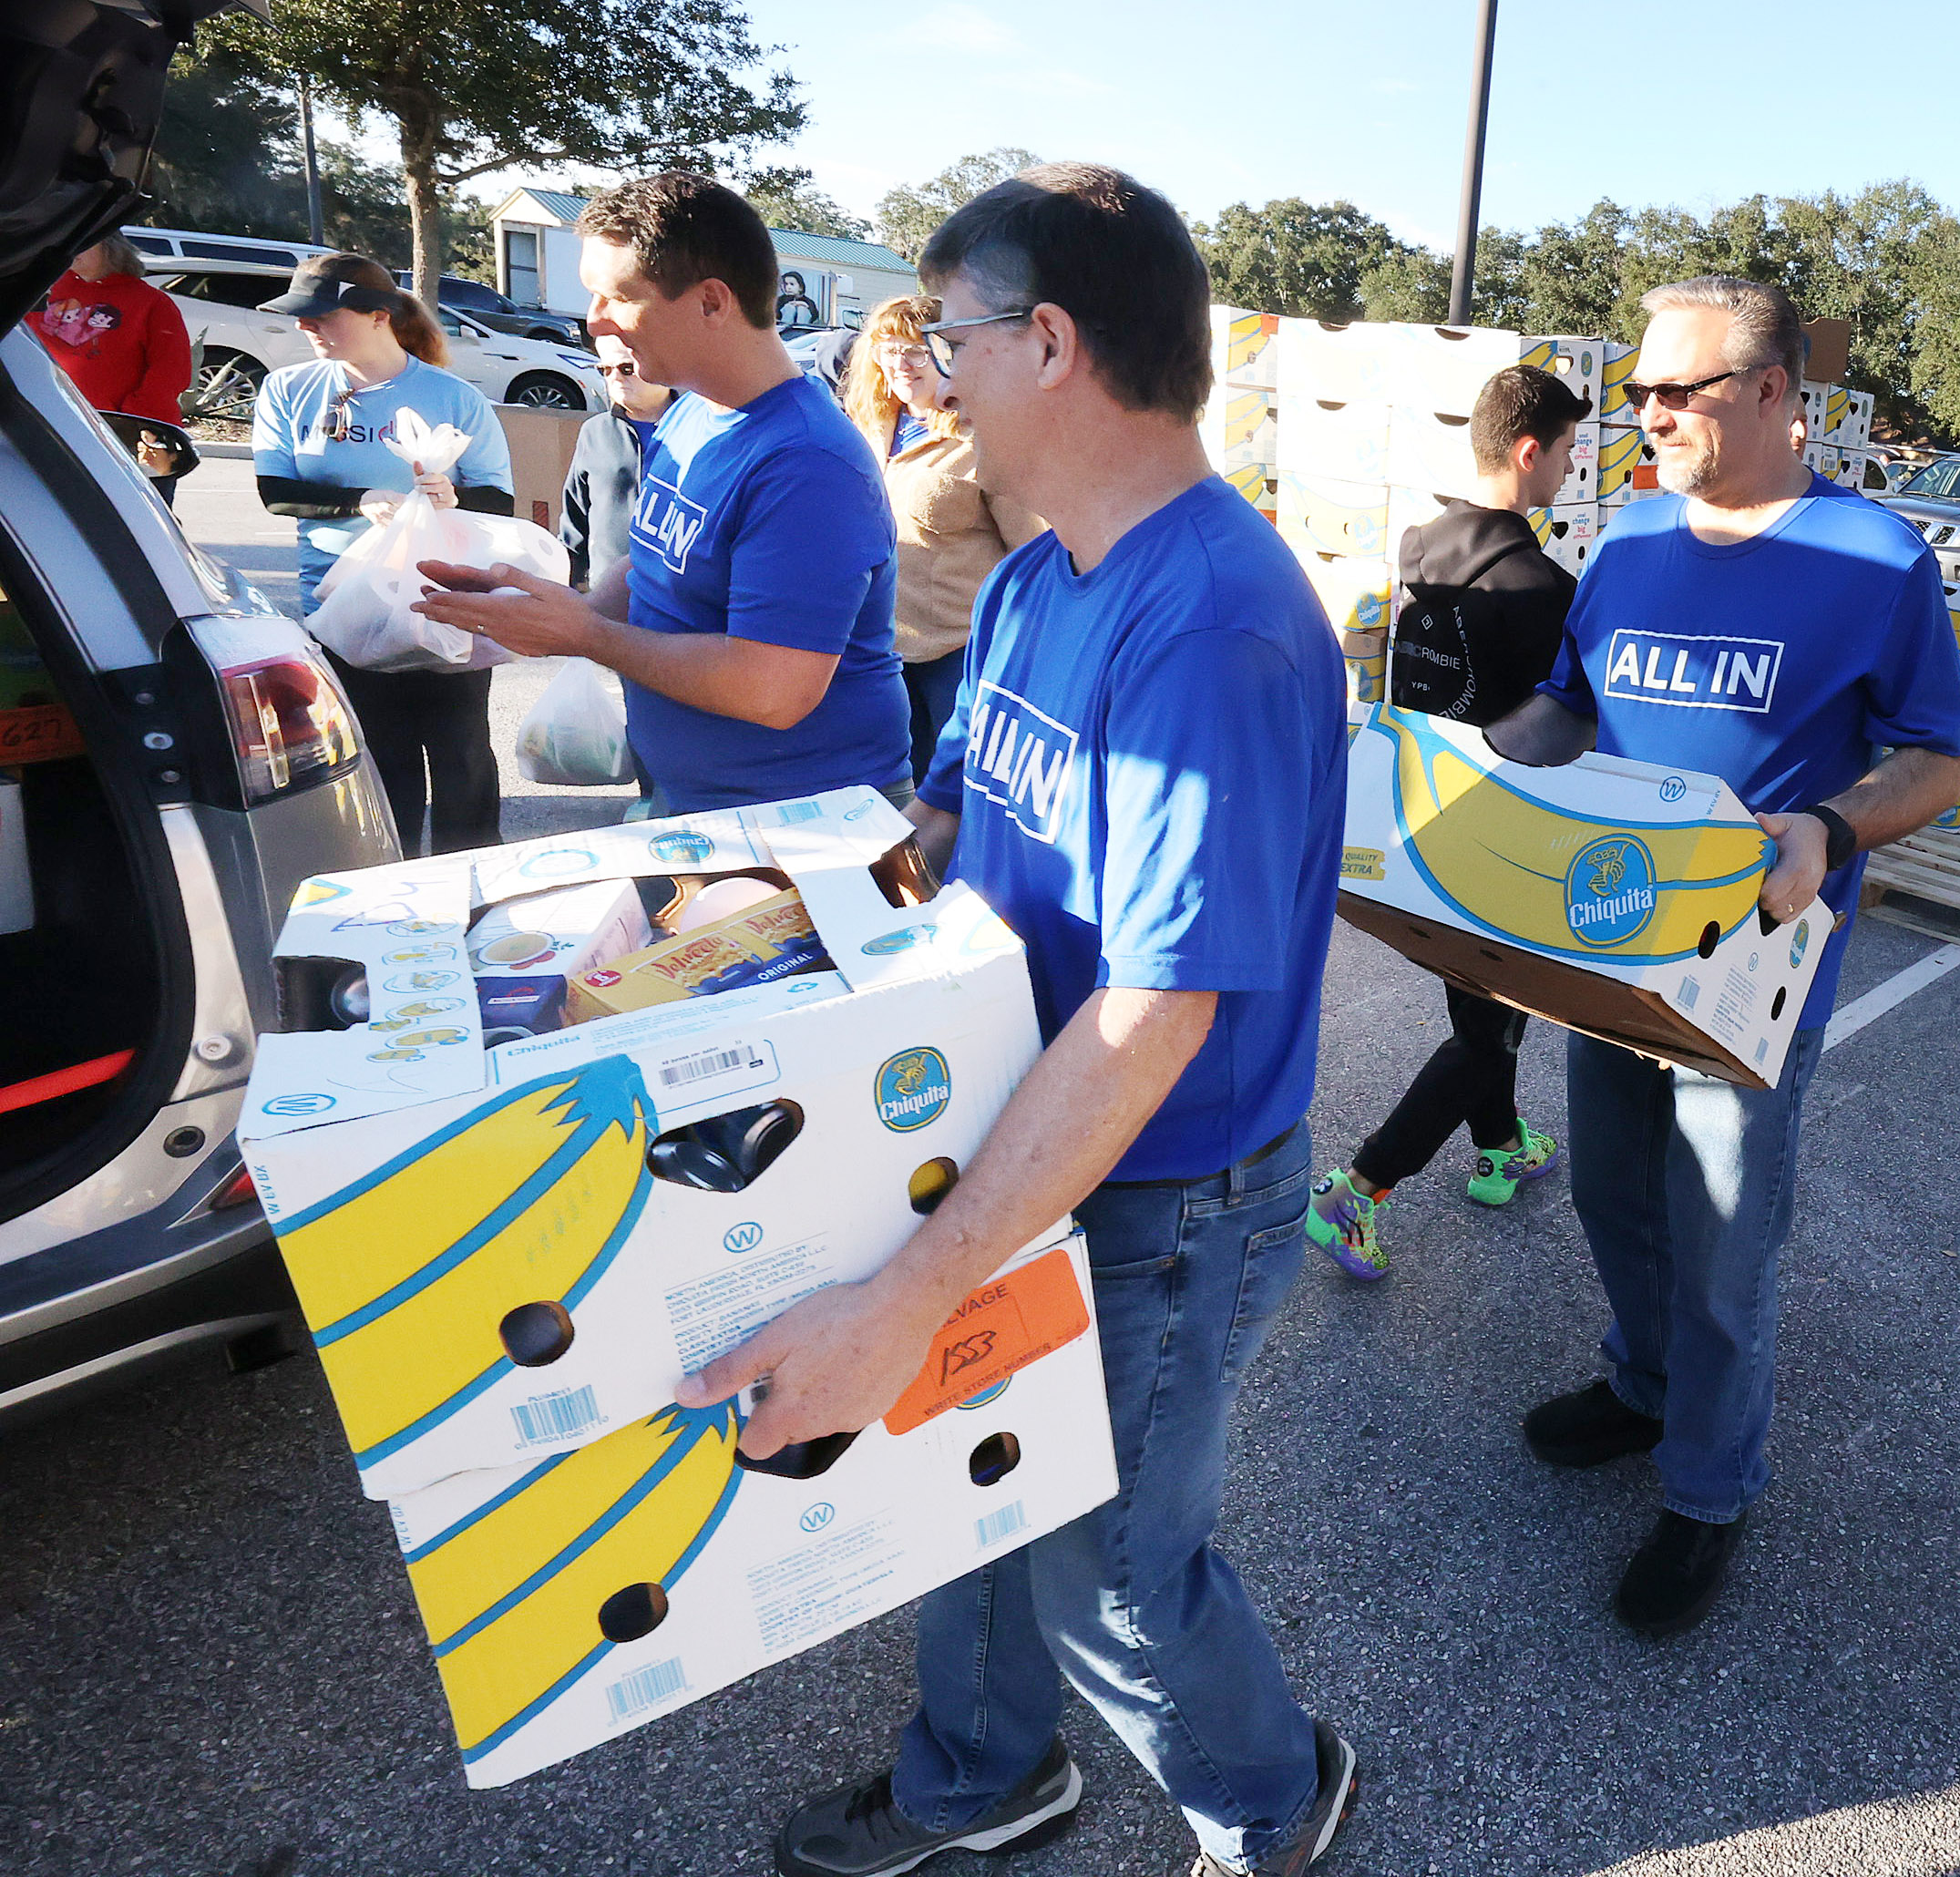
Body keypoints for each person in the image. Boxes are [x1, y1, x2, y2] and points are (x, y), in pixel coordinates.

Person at [668, 163, 1357, 1877]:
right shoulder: (1044, 575)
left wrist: (904, 1290)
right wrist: (765, 947)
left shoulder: (1216, 622)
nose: (922, 371)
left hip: (1160, 1196)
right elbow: (961, 822)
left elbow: (1155, 1015)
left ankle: (1273, 1800)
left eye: (952, 337)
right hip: (1016, 1134)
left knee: (1109, 1569)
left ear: (1049, 342)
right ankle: (986, 1779)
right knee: (955, 1486)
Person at [1484, 276, 1960, 1637]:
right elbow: (1567, 713)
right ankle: (1644, 1388)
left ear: (1771, 394)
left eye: (1675, 390)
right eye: (1638, 390)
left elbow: (1938, 754)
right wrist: (1444, 785)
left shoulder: (1874, 556)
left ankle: (1709, 1486)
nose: (1644, 414)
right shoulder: (1632, 536)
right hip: (1608, 941)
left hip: (1754, 968)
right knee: (1610, 1197)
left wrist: (1827, 822)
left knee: (1719, 1236)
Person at [412, 172, 910, 815]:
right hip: (701, 803)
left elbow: (772, 690)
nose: (594, 322)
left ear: (710, 302)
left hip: (804, 823)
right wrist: (555, 608)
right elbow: (651, 565)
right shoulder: (690, 410)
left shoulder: (807, 462)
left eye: (615, 297)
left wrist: (585, 635)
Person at [1303, 364, 1589, 1278]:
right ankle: (1359, 1188)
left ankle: (1501, 1146)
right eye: (1569, 452)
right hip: (1502, 847)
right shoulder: (1542, 587)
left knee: (1483, 1008)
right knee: (1494, 1022)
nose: (1571, 472)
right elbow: (1573, 734)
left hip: (1417, 826)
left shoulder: (1421, 548)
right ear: (1528, 450)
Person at [248, 252, 515, 856]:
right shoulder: (288, 390)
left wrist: (453, 495)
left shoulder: (453, 397)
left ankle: (473, 892)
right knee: (377, 762)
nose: (304, 327)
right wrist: (360, 500)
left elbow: (498, 500)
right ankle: (391, 892)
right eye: (299, 316)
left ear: (377, 316)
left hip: (445, 604)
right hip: (347, 610)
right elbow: (277, 492)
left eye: (320, 315)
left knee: (461, 756)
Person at [841, 293, 1043, 783]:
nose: (899, 363)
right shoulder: (864, 432)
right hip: (877, 650)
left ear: (947, 353)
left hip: (960, 656)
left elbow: (1035, 555)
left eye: (915, 349)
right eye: (887, 348)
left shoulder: (983, 438)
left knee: (952, 794)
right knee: (884, 792)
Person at [27, 234, 190, 497]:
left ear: (110, 246)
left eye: (84, 240)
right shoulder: (40, 293)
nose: (73, 247)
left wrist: (128, 421)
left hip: (126, 438)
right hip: (48, 427)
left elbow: (171, 371)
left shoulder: (152, 303)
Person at [558, 333, 672, 590]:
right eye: (605, 370)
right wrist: (570, 583)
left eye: (626, 369)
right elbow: (575, 515)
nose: (615, 378)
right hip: (606, 590)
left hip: (675, 595)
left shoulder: (698, 427)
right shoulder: (595, 431)